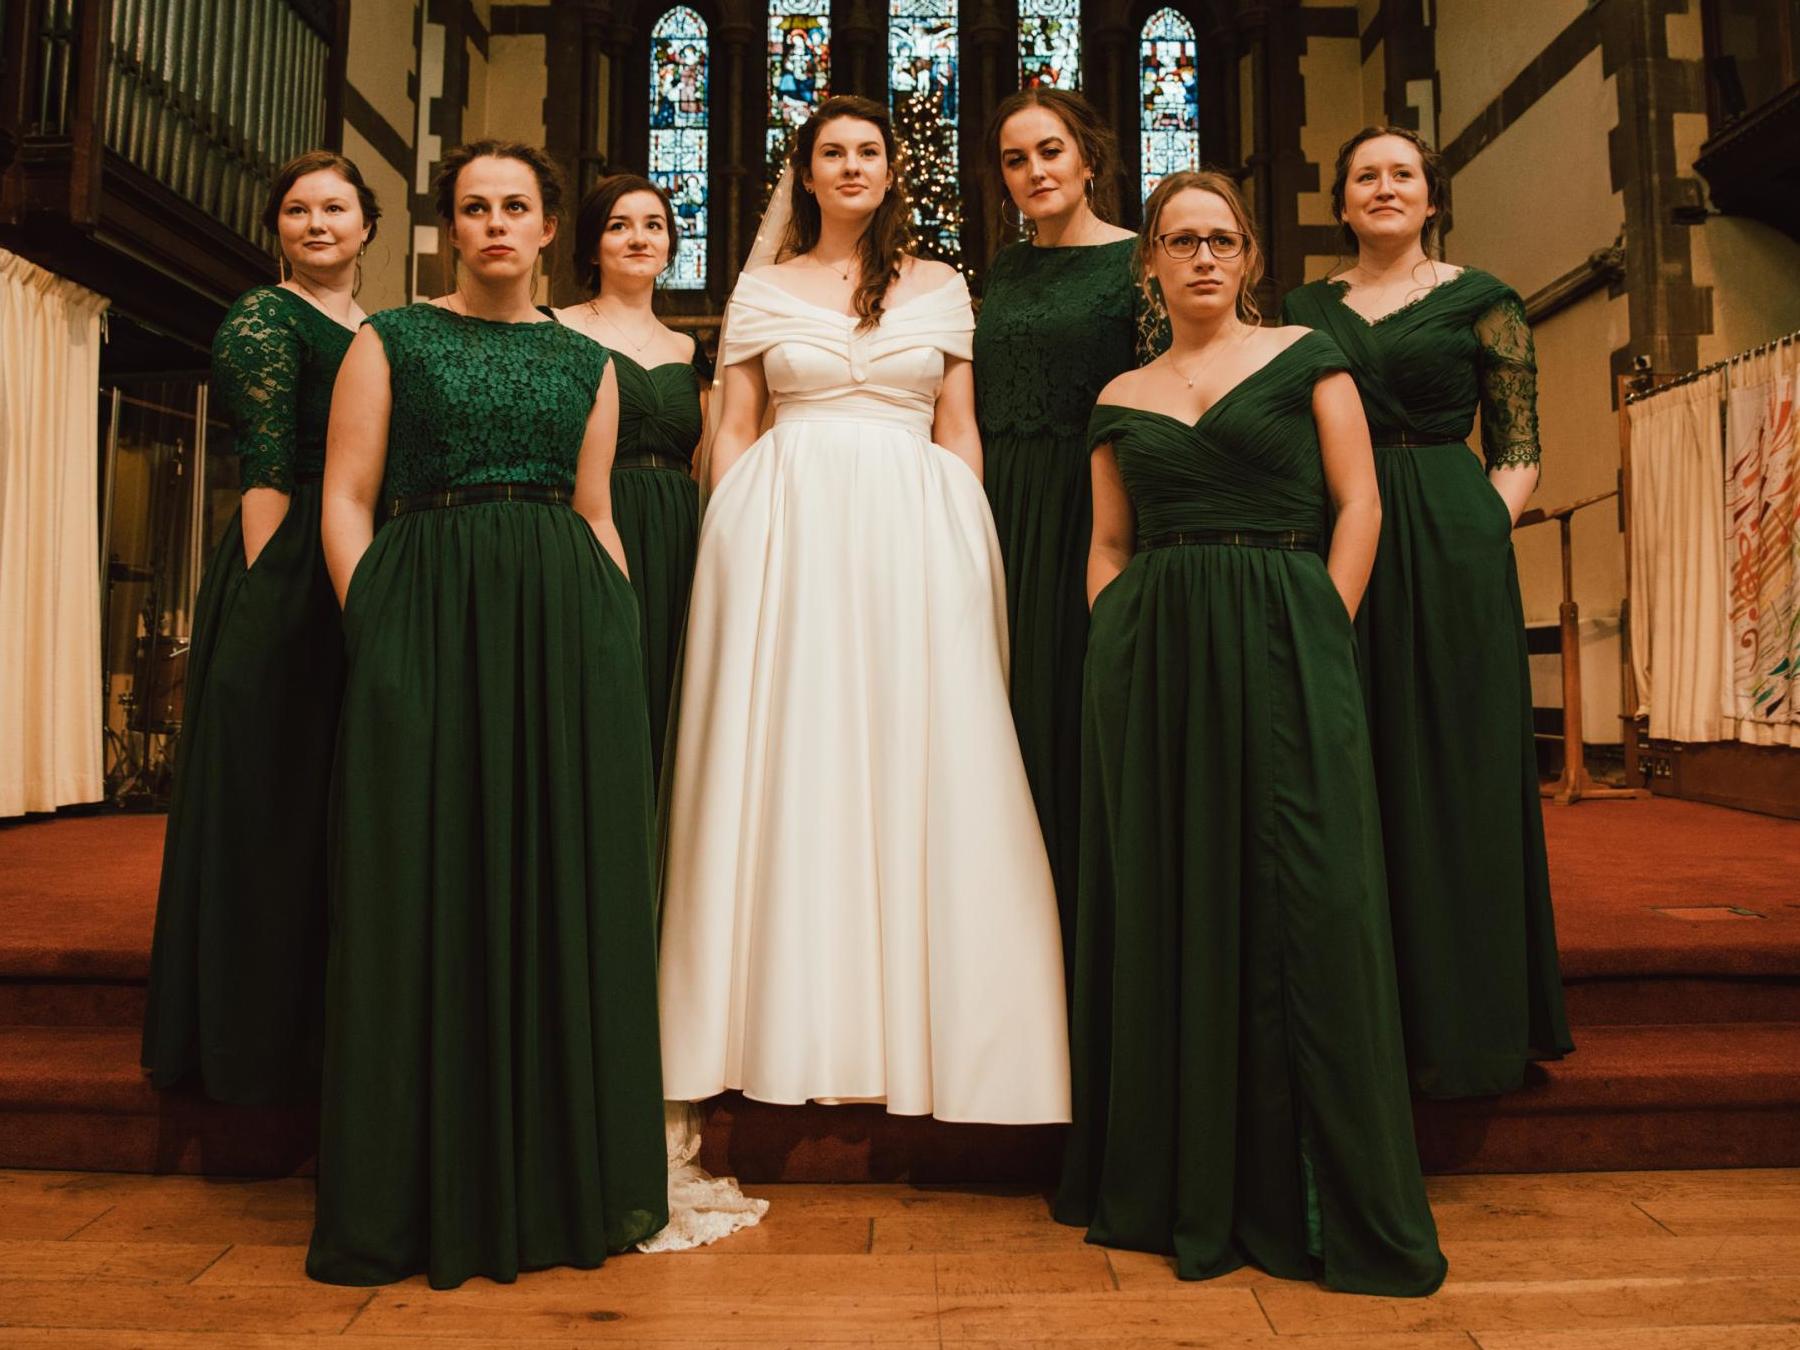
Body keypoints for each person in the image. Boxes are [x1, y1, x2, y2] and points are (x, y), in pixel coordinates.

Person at [1055, 170, 1446, 1297]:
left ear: (1252, 256)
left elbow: (1359, 502)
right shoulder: (1120, 394)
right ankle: (1183, 1179)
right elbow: (1109, 540)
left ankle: (1315, 1193)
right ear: (1153, 265)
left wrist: (1324, 618)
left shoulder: (1306, 362)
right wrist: (1115, 635)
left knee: (1308, 897)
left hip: (1287, 627)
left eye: (1223, 239)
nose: (1204, 259)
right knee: (1176, 894)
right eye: (1182, 241)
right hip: (1156, 658)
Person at [657, 96, 1070, 1125]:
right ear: (803, 172)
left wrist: (969, 544)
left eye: (867, 152)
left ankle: (937, 1035)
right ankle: (782, 1021)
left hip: (914, 529)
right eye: (830, 152)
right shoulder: (761, 285)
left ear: (893, 171)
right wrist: (733, 548)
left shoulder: (939, 285)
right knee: (797, 754)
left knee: (919, 751)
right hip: (786, 532)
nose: (849, 165)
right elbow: (737, 426)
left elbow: (960, 428)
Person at [308, 140, 666, 1288]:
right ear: (449, 228)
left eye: (517, 207)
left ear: (549, 228)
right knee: (417, 881)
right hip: (427, 609)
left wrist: (614, 634)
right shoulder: (391, 339)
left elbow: (599, 511)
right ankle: (414, 1189)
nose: (498, 224)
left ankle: (560, 1175)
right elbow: (347, 500)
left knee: (559, 880)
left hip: (566, 631)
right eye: (475, 208)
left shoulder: (589, 364)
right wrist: (381, 629)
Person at [1280, 126, 1572, 1099]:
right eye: (1365, 174)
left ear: (1432, 194)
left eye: (1402, 173)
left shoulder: (1484, 301)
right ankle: (1365, 1015)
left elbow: (1521, 440)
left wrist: (1480, 525)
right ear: (1342, 200)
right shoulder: (1303, 311)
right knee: (1352, 754)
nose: (1383, 187)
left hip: (1452, 534)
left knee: (1461, 759)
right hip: (1341, 534)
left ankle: (1476, 1022)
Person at [141, 150, 377, 1105]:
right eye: (295, 211)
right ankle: (251, 1045)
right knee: (271, 804)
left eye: (334, 207)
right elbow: (267, 473)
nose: (316, 224)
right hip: (286, 569)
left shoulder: (375, 326)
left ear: (368, 223)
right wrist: (278, 606)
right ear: (275, 229)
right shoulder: (263, 318)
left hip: (361, 553)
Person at [973, 88, 1143, 982]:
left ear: (1088, 159)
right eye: (1014, 159)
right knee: (1005, 706)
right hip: (1004, 505)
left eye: (1049, 152)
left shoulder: (1139, 264)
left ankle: (1093, 943)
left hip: (1098, 504)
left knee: (1083, 705)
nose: (1034, 171)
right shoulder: (1003, 272)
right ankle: (1012, 946)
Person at [555, 174, 710, 791]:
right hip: (590, 520)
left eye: (653, 225)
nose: (638, 238)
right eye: (619, 225)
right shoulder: (556, 328)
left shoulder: (688, 348)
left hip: (677, 531)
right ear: (593, 246)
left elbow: (707, 457)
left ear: (670, 244)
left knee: (670, 694)